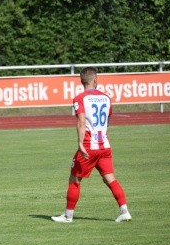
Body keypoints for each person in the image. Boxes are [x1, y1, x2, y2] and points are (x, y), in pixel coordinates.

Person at [51, 66, 132, 223]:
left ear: (81, 81)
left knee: (74, 179)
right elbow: (107, 122)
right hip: (104, 145)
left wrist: (80, 143)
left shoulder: (80, 98)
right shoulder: (106, 97)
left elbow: (81, 122)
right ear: (95, 79)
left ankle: (68, 216)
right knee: (110, 179)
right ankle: (124, 211)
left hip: (89, 146)